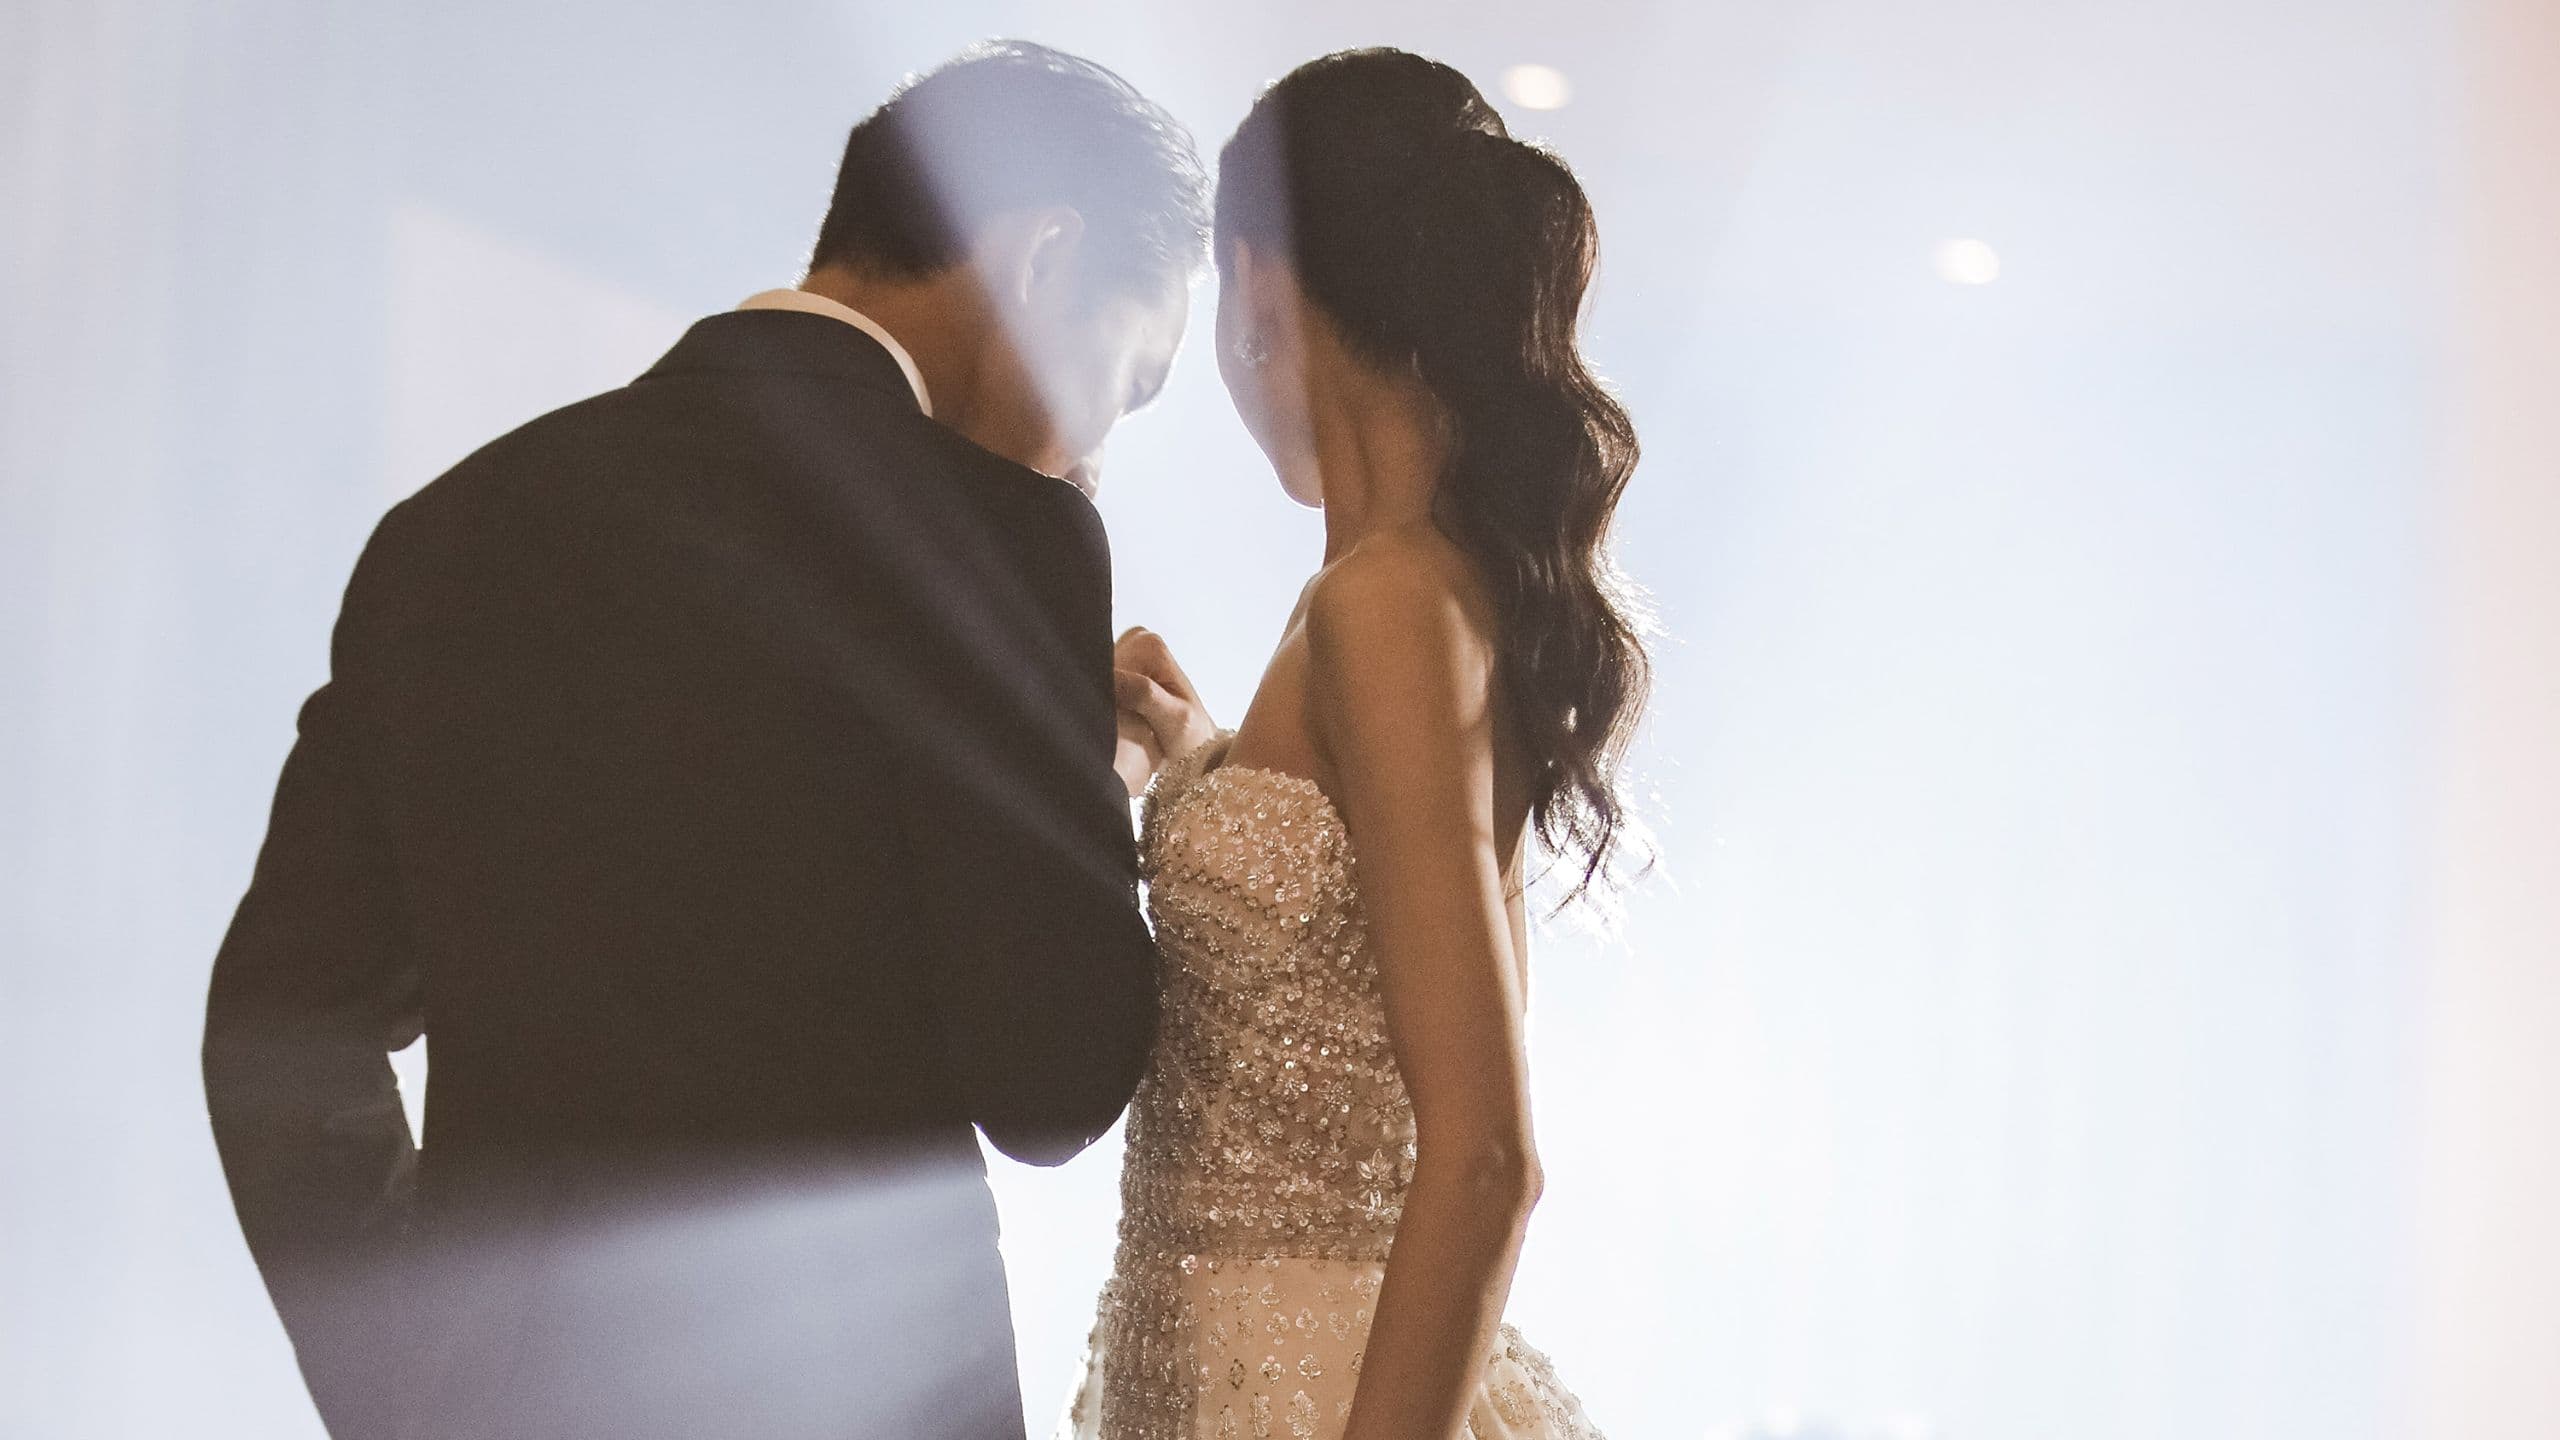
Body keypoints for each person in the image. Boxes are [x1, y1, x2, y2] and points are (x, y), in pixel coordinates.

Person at [203, 40, 1205, 1440]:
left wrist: (418, 1382)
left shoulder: (449, 534)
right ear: (1045, 259)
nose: (1097, 436)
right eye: (1133, 372)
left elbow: (276, 1027)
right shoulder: (1000, 537)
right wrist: (1095, 784)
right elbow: (1050, 1079)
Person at [1071, 48, 1648, 1440]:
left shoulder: (1385, 601)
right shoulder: (1396, 592)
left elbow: (1487, 1160)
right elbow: (1330, 911)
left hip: (1318, 1397)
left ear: (1260, 288)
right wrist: (1201, 761)